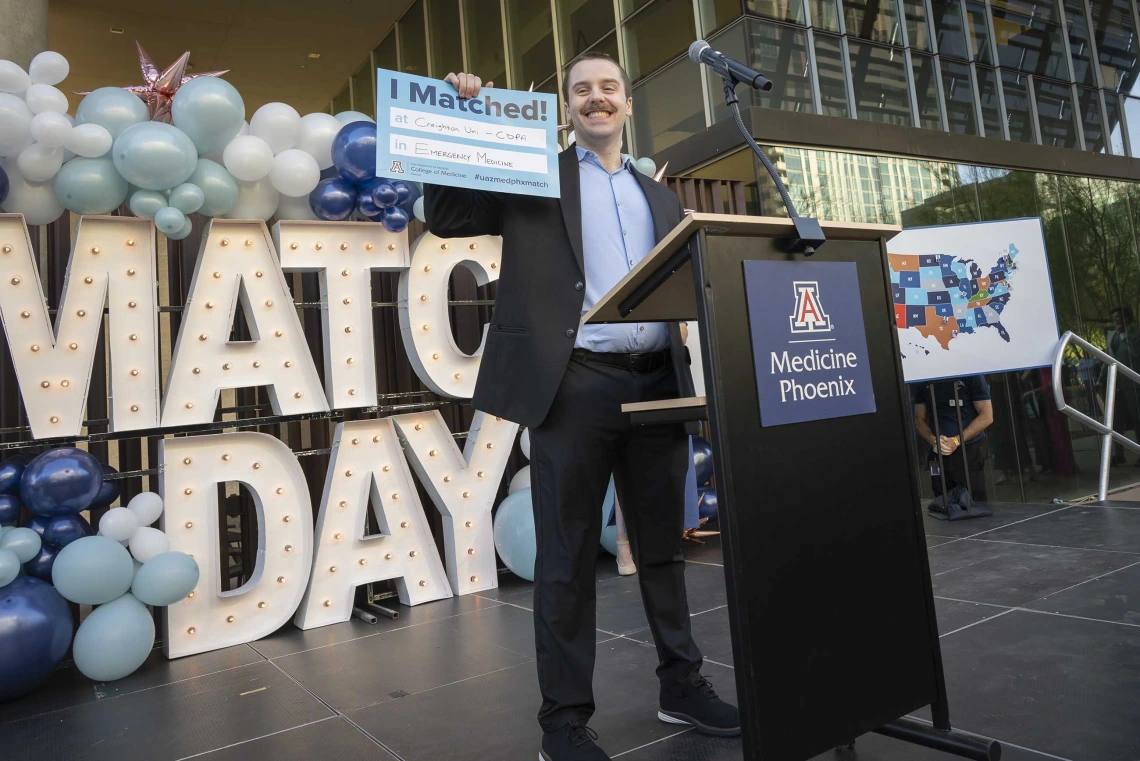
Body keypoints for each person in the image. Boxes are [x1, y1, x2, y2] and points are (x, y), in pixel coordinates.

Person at [426, 53, 738, 761]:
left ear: (628, 103)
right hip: (574, 383)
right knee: (565, 559)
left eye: (608, 88)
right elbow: (448, 216)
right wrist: (456, 115)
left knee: (660, 548)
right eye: (581, 90)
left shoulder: (660, 196)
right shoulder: (533, 172)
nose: (596, 99)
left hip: (658, 381)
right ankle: (563, 722)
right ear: (566, 106)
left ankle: (680, 684)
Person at [913, 376, 994, 502]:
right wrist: (933, 440)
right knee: (943, 502)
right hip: (938, 451)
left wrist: (956, 441)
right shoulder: (924, 378)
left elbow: (987, 416)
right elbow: (919, 420)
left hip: (967, 450)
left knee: (973, 502)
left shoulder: (972, 375)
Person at [1103, 306, 1140, 465]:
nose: (1116, 321)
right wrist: (1101, 380)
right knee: (1116, 421)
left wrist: (1126, 337)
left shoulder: (1136, 334)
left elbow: (1136, 355)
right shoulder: (1112, 336)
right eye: (1114, 318)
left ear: (1127, 318)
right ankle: (1119, 454)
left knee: (1137, 420)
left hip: (1133, 385)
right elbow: (1109, 358)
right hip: (1115, 385)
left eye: (1119, 317)